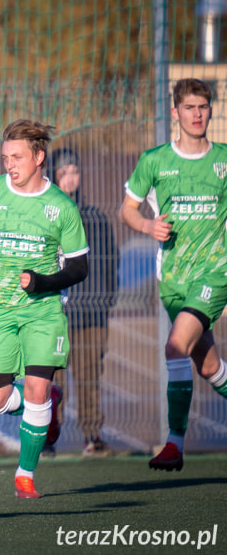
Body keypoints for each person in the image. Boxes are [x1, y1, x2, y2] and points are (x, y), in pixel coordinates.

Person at [0, 120, 89, 498]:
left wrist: (42, 282)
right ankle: (48, 404)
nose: (9, 164)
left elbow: (79, 266)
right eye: (5, 157)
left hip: (44, 312)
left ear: (39, 157)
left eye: (17, 157)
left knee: (35, 390)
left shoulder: (60, 206)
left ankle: (25, 475)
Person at [119, 78, 227, 472]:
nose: (197, 114)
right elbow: (127, 210)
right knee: (210, 367)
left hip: (215, 273)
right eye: (190, 107)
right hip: (174, 280)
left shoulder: (224, 161)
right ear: (176, 112)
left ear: (211, 111)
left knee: (174, 347)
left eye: (203, 107)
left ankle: (173, 444)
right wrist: (149, 227)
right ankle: (175, 443)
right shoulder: (155, 160)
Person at [48, 148, 118, 457]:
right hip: (56, 314)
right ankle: (47, 437)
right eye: (63, 173)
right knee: (53, 380)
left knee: (90, 375)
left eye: (74, 171)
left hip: (90, 313)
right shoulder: (46, 215)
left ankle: (92, 435)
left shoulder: (95, 218)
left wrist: (104, 302)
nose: (70, 178)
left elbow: (109, 263)